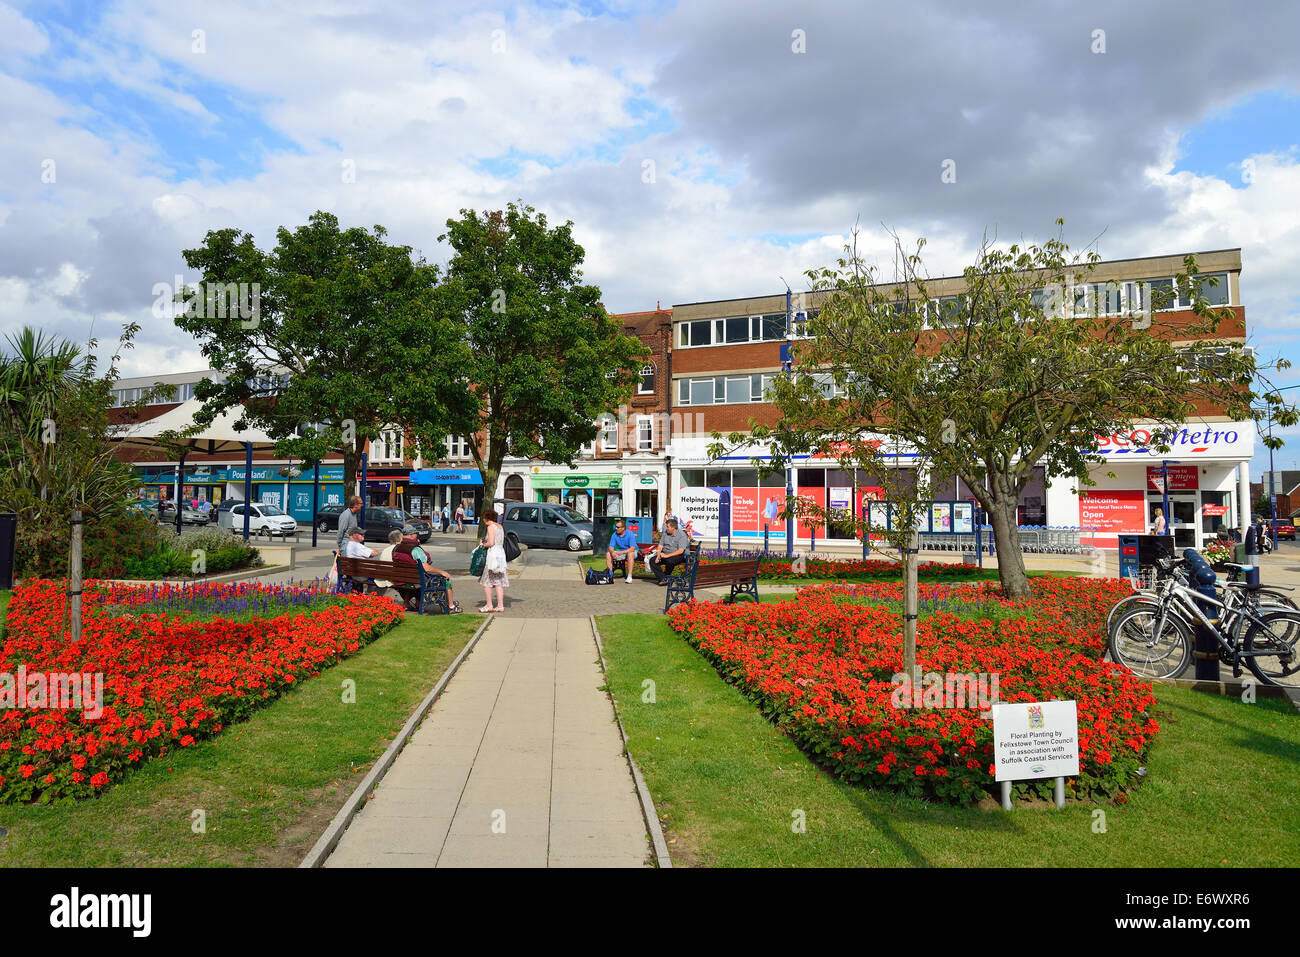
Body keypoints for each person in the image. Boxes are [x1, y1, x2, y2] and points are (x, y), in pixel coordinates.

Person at [391, 525, 461, 613]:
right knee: (445, 579)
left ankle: (409, 603)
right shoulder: (415, 549)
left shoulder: (396, 548)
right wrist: (441, 571)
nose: (417, 535)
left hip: (401, 578)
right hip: (416, 579)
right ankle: (450, 606)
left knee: (421, 578)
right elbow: (426, 568)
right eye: (416, 533)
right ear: (412, 535)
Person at [477, 508, 508, 612]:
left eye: (484, 518)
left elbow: (491, 543)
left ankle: (489, 605)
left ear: (487, 518)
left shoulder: (490, 527)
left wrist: (483, 544)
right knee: (498, 582)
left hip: (493, 556)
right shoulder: (500, 527)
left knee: (487, 582)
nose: (483, 520)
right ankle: (500, 606)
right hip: (500, 555)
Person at [649, 518, 691, 585]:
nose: (666, 528)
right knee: (652, 560)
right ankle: (663, 579)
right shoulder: (665, 533)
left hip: (678, 555)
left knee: (670, 561)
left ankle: (666, 576)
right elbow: (660, 546)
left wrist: (667, 555)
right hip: (665, 554)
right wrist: (658, 555)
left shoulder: (682, 535)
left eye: (667, 527)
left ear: (673, 527)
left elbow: (680, 551)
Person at [606, 518, 639, 583]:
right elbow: (611, 546)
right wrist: (612, 552)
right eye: (616, 527)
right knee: (608, 554)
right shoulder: (614, 534)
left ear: (623, 528)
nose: (616, 528)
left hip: (632, 552)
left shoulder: (630, 534)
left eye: (618, 527)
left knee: (630, 553)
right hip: (621, 552)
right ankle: (610, 575)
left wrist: (621, 552)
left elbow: (632, 548)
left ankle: (629, 576)